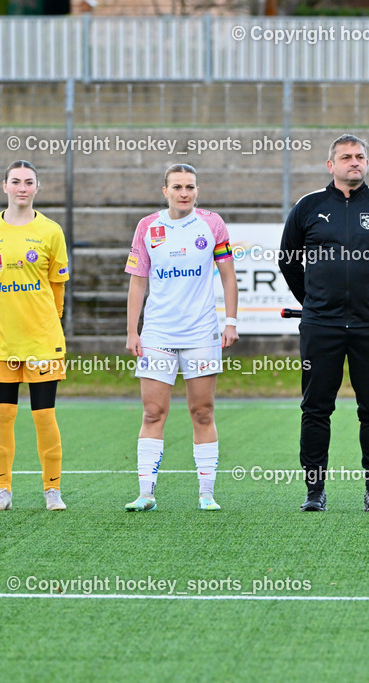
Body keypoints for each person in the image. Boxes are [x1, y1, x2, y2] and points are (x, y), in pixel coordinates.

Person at [279, 134, 369, 512]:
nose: (354, 162)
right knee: (316, 407)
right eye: (346, 157)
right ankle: (314, 491)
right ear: (331, 165)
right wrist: (314, 303)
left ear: (367, 164)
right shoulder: (309, 207)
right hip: (321, 325)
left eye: (359, 157)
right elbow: (288, 262)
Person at [124, 163, 239, 512]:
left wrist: (230, 321)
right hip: (158, 333)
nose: (184, 192)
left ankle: (206, 493)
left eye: (190, 186)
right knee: (153, 411)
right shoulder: (148, 226)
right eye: (177, 187)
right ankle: (146, 494)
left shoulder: (212, 224)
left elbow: (228, 277)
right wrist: (133, 330)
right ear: (165, 191)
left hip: (201, 333)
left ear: (197, 191)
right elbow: (138, 281)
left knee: (202, 412)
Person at [0, 161, 69, 511]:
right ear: (4, 186)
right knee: (2, 415)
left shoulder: (51, 231)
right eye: (15, 181)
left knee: (44, 416)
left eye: (28, 182)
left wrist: (43, 321)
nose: (22, 188)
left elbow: (57, 289)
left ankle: (52, 492)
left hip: (42, 340)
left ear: (37, 187)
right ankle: (3, 492)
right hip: (1, 341)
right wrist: (3, 316)